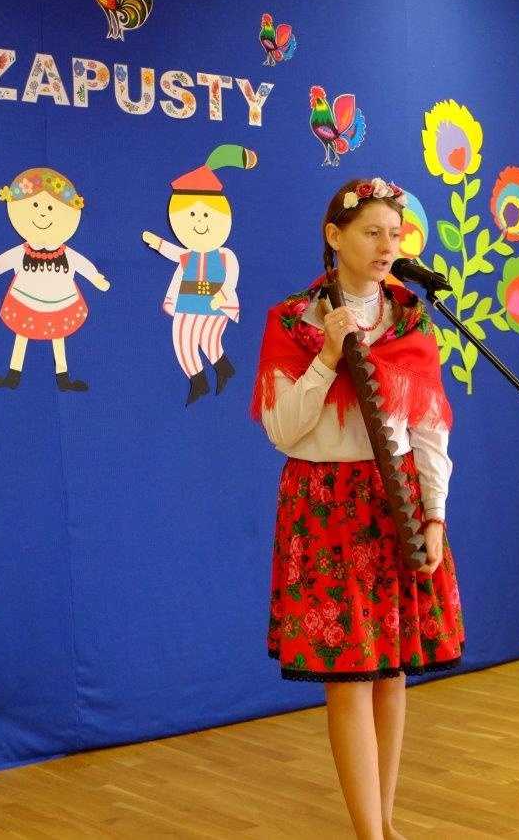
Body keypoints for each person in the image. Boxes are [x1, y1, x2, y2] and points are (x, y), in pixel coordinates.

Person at [251, 176, 464, 839]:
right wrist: (326, 358)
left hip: (394, 503)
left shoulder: (409, 317)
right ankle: (368, 833)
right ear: (334, 235)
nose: (386, 246)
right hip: (324, 506)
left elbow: (429, 429)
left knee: (391, 671)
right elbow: (282, 429)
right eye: (372, 232)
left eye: (394, 234)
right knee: (347, 678)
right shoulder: (293, 319)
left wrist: (434, 515)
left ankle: (385, 822)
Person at [142, 144, 256, 405]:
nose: (199, 221)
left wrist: (224, 294)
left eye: (205, 214)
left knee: (207, 338)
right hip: (188, 303)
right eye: (192, 214)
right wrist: (158, 243)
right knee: (183, 340)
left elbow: (231, 277)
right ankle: (201, 379)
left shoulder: (225, 255)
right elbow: (174, 254)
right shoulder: (189, 255)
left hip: (215, 304)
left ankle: (219, 370)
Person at [0, 168, 109, 391]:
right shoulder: (23, 251)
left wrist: (95, 277)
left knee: (59, 336)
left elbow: (82, 264)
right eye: (36, 205)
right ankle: (13, 375)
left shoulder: (66, 253)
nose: (43, 214)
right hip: (25, 298)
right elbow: (5, 261)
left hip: (61, 300)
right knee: (22, 333)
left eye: (49, 208)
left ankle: (63, 377)